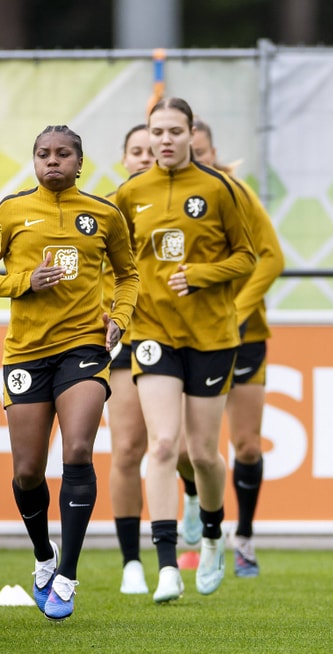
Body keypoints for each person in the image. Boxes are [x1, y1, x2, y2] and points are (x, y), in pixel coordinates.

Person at [0, 125, 138, 620]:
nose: (52, 161)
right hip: (26, 353)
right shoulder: (10, 212)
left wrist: (119, 318)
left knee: (77, 449)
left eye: (62, 154)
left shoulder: (103, 214)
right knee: (28, 471)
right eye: (42, 154)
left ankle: (69, 577)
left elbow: (128, 273)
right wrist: (24, 282)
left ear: (79, 161)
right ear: (33, 161)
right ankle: (43, 557)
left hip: (84, 349)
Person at [114, 97, 256, 603]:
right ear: (148, 136)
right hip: (152, 333)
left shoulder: (219, 189)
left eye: (175, 131)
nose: (166, 140)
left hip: (212, 335)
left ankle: (214, 535)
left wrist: (200, 275)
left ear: (191, 134)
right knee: (162, 445)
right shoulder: (129, 193)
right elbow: (112, 262)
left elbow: (247, 257)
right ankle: (166, 565)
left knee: (202, 453)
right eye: (158, 132)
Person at [181, 116, 286, 577]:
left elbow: (272, 257)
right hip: (183, 334)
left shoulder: (235, 193)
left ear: (212, 153)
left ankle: (242, 536)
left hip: (243, 335)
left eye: (203, 153)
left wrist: (237, 310)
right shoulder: (157, 196)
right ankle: (192, 501)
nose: (197, 159)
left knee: (245, 444)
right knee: (184, 448)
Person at [106, 124, 155, 595]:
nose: (143, 157)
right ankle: (131, 562)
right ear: (124, 158)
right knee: (126, 450)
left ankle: (198, 506)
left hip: (172, 339)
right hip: (123, 339)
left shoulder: (175, 207)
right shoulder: (103, 211)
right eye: (134, 150)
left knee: (179, 449)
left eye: (149, 150)